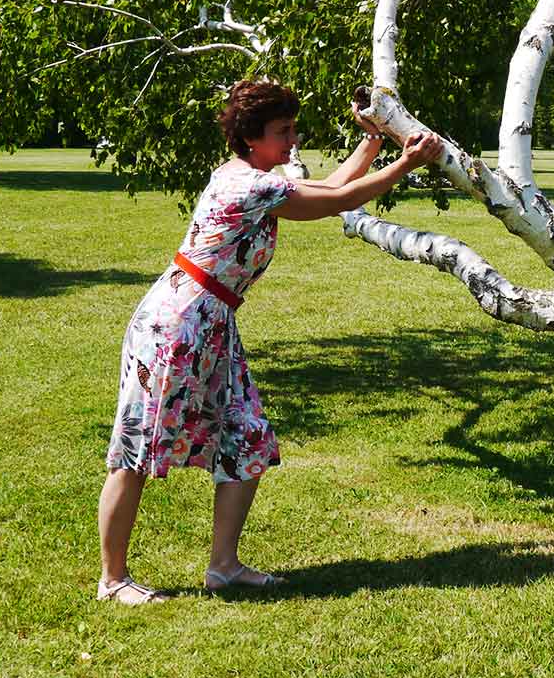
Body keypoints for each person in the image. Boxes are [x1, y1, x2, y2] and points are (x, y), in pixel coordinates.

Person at [96, 80, 444, 604]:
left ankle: (224, 568)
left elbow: (326, 188)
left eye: (291, 129)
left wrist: (372, 144)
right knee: (139, 447)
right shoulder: (247, 185)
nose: (292, 139)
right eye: (282, 132)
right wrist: (404, 165)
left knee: (247, 437)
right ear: (250, 137)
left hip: (211, 322)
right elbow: (337, 201)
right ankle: (113, 579)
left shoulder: (256, 178)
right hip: (178, 323)